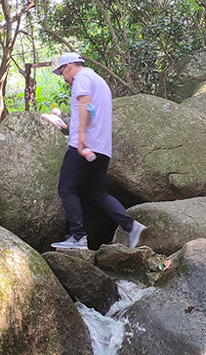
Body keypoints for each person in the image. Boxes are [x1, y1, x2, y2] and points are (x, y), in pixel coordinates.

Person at [50, 52, 147, 250]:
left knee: (67, 189)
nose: (64, 79)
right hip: (102, 149)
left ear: (68, 66)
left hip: (84, 145)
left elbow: (85, 103)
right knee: (97, 193)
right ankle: (131, 226)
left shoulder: (82, 77)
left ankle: (78, 237)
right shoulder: (100, 81)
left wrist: (81, 136)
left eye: (62, 73)